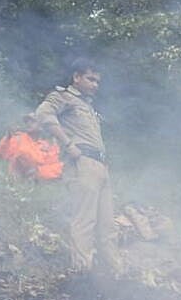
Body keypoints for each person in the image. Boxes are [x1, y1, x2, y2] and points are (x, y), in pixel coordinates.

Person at [32, 59, 121, 276]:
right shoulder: (63, 97)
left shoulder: (88, 106)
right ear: (76, 77)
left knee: (107, 225)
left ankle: (116, 274)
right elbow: (43, 115)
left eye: (98, 81)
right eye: (90, 79)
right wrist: (68, 144)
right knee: (85, 220)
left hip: (99, 165)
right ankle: (82, 273)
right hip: (82, 163)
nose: (95, 84)